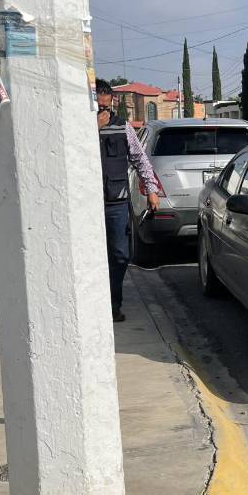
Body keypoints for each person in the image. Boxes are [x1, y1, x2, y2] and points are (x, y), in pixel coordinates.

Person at [96, 79, 159, 322]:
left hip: (116, 203)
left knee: (120, 255)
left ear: (111, 103)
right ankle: (101, 304)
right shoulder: (77, 130)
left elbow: (140, 160)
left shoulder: (123, 127)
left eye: (106, 107)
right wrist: (94, 129)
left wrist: (152, 189)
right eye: (98, 108)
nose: (104, 112)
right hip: (87, 206)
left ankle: (113, 303)